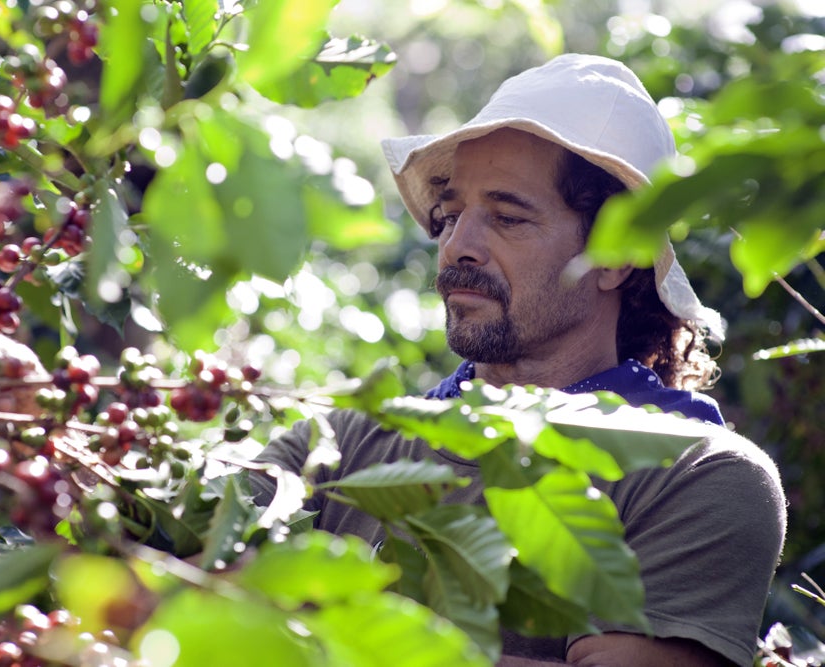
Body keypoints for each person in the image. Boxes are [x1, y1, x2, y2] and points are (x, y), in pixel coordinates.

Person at [250, 54, 786, 666]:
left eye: (507, 217)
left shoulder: (696, 475)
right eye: (449, 216)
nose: (458, 246)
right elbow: (167, 563)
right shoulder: (338, 441)